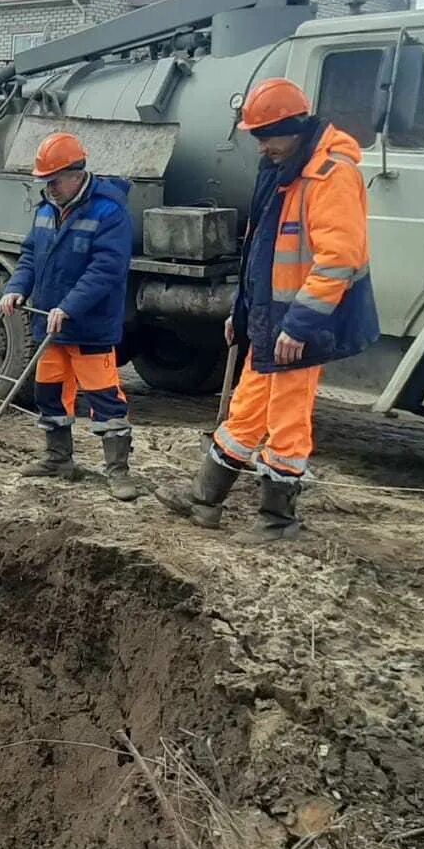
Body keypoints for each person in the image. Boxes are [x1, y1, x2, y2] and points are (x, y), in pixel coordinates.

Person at [158, 78, 378, 542]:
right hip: (269, 320)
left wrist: (299, 324)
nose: (261, 146)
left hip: (300, 324)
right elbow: (259, 251)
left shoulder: (330, 173)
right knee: (247, 410)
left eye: (265, 136)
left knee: (287, 421)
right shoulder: (282, 169)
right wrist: (241, 315)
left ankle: (278, 521)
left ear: (293, 127)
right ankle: (204, 500)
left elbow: (341, 258)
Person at [0, 131, 138, 500]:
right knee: (50, 393)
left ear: (76, 173)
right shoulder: (47, 209)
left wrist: (70, 307)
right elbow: (30, 256)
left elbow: (106, 270)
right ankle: (58, 458)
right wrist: (16, 288)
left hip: (89, 327)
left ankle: (118, 472)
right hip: (50, 324)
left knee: (104, 397)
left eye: (54, 180)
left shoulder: (109, 211)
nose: (49, 188)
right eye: (45, 181)